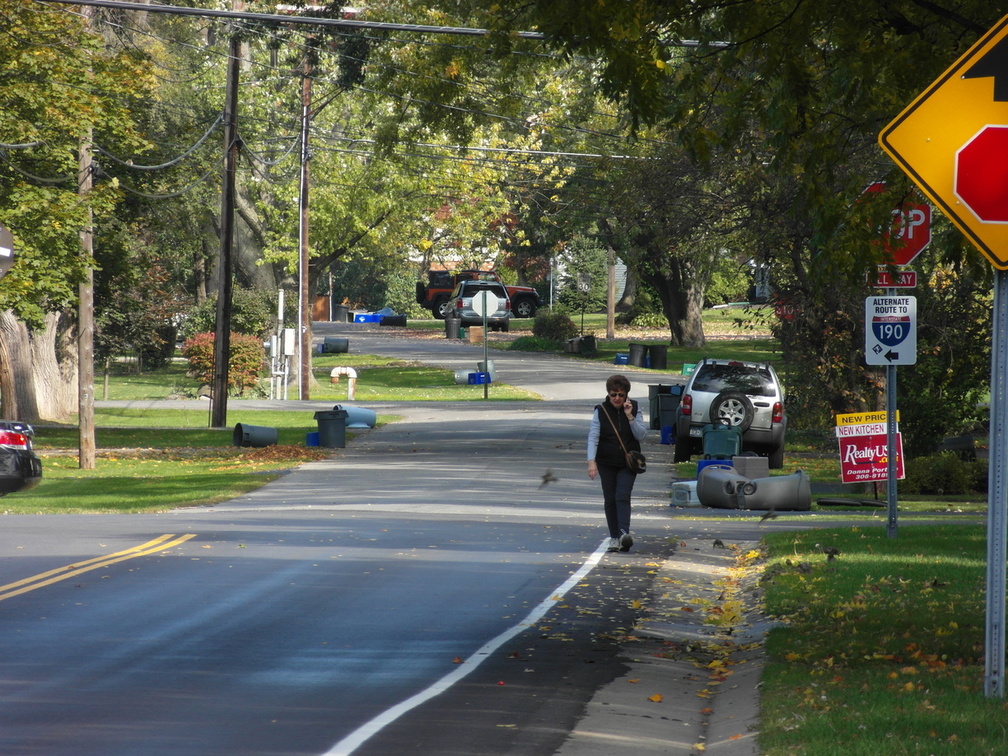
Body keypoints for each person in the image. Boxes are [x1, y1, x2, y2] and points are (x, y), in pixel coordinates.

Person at [587, 374, 646, 552]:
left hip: (628, 463)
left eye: (621, 395)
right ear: (608, 394)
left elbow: (641, 435)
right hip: (606, 461)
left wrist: (630, 417)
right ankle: (614, 537)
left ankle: (623, 534)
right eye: (614, 395)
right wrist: (591, 462)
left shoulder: (634, 408)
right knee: (610, 499)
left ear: (626, 395)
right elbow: (593, 437)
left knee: (623, 495)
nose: (617, 399)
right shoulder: (601, 410)